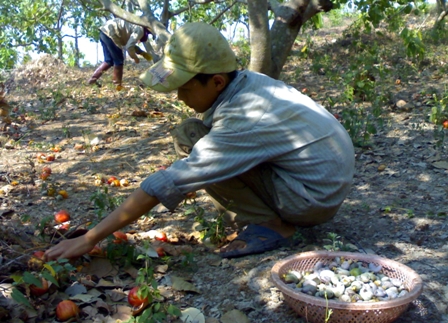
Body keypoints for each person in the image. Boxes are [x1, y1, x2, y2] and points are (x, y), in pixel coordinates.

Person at [45, 22, 355, 261]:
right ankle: (271, 216)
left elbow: (173, 180)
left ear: (217, 81)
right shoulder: (249, 84)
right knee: (196, 132)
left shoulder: (243, 117)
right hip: (318, 183)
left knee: (191, 138)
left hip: (310, 199)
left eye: (185, 88)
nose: (179, 96)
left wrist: (92, 237)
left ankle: (276, 226)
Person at [87, 18, 153, 88]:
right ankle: (118, 86)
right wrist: (135, 58)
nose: (139, 41)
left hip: (104, 32)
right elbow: (129, 47)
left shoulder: (134, 27)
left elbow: (131, 44)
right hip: (111, 33)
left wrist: (142, 53)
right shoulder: (141, 30)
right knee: (119, 60)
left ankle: (92, 80)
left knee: (108, 61)